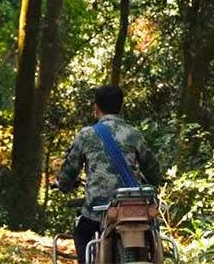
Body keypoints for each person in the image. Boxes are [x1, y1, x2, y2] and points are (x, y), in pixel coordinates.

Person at [57, 84, 161, 263]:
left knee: (81, 233)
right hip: (132, 209)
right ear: (120, 108)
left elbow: (69, 170)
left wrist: (64, 185)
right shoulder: (134, 134)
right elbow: (153, 169)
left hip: (98, 211)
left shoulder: (86, 135)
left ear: (95, 107)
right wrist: (152, 181)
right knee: (151, 231)